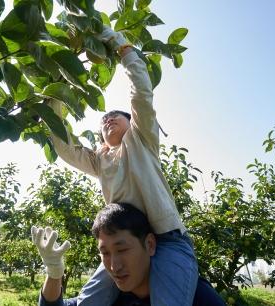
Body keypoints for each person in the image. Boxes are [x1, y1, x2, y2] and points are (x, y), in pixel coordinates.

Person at [49, 26, 197, 305]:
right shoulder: (100, 159)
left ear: (133, 124)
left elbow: (141, 93)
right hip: (123, 245)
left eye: (117, 116)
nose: (109, 120)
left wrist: (123, 48)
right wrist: (56, 93)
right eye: (103, 120)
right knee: (87, 303)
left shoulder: (141, 141)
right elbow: (65, 148)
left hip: (166, 240)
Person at [32, 203, 225, 306]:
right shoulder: (107, 297)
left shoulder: (194, 296)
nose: (114, 266)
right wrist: (54, 273)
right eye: (105, 253)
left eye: (122, 249)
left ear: (149, 244)